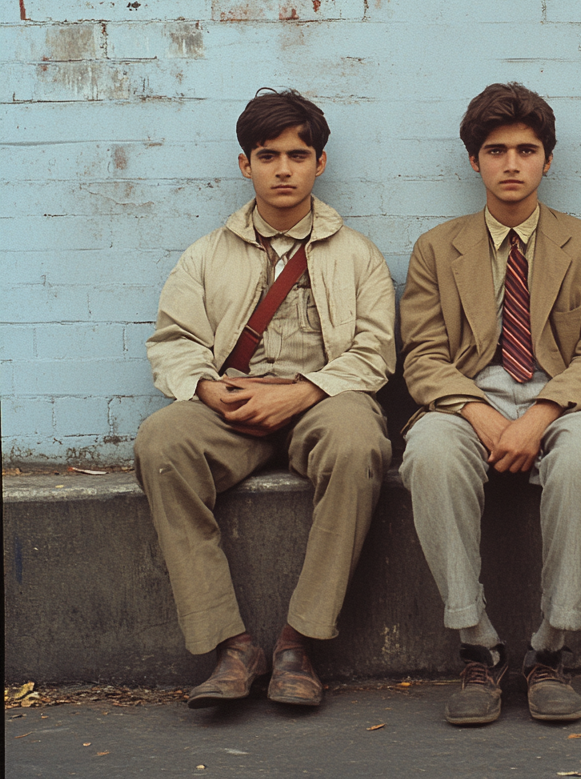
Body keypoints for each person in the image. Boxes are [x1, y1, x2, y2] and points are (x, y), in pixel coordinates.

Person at [134, 88, 395, 709]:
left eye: (298, 155)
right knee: (160, 441)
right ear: (245, 163)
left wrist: (303, 392)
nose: (284, 168)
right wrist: (207, 390)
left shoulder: (357, 254)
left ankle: (297, 644)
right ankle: (231, 645)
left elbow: (376, 351)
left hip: (323, 406)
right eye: (268, 154)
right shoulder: (205, 255)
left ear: (319, 163)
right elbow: (174, 343)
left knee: (360, 441)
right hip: (233, 410)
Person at [399, 82, 581, 725]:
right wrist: (479, 413)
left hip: (562, 401)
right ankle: (479, 647)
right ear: (474, 161)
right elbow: (422, 355)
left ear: (548, 160)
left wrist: (539, 417)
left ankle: (551, 651)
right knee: (430, 454)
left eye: (527, 150)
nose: (512, 164)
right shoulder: (438, 248)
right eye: (496, 150)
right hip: (468, 398)